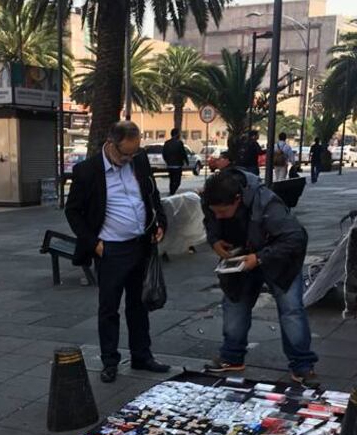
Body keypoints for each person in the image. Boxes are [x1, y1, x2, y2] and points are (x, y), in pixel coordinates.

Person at [65, 122, 171, 383]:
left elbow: (151, 194)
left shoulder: (139, 161)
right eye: (125, 154)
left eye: (133, 154)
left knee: (139, 305)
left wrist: (160, 223)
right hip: (110, 249)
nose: (128, 159)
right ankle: (110, 361)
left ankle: (142, 356)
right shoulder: (88, 170)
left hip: (140, 244)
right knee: (109, 308)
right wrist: (93, 243)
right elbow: (73, 211)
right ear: (111, 144)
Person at [200, 167, 320, 386]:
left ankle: (302, 365)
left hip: (280, 260)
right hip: (242, 258)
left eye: (222, 212)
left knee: (291, 310)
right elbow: (211, 222)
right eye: (214, 210)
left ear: (237, 199)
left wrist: (260, 258)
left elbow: (295, 238)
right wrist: (215, 240)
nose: (218, 215)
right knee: (235, 304)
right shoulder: (212, 198)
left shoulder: (267, 204)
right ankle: (232, 356)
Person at [162, 128, 189, 196]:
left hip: (170, 165)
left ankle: (171, 192)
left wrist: (167, 161)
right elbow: (183, 153)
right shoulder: (179, 143)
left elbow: (164, 154)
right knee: (177, 181)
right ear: (177, 134)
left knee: (171, 180)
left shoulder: (167, 143)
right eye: (179, 133)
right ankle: (172, 192)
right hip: (177, 165)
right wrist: (186, 161)